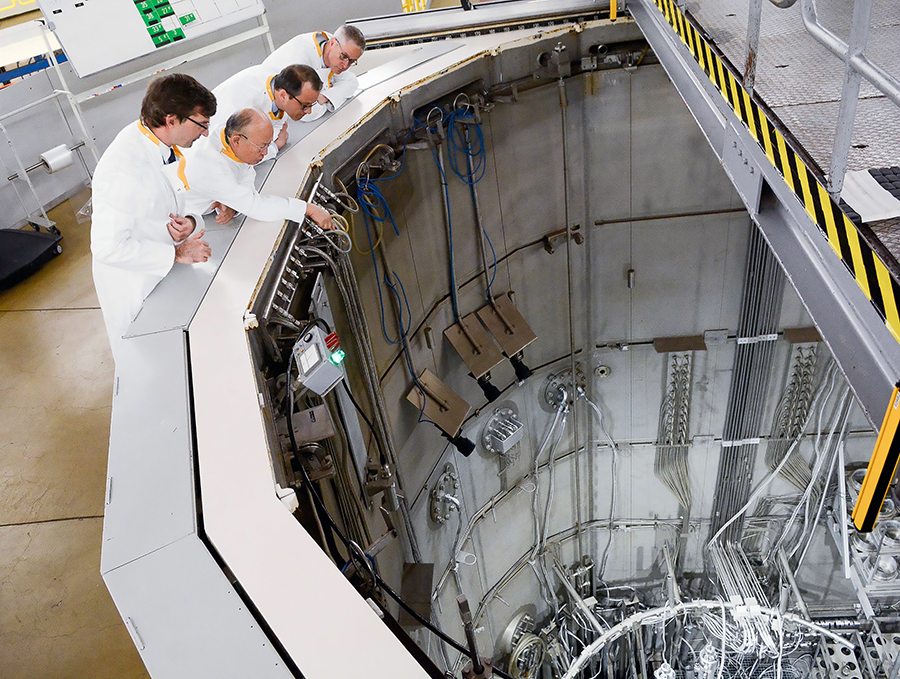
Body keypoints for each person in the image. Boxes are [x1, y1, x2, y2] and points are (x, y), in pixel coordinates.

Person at [91, 73, 216, 360]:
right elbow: (107, 248)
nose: (206, 133)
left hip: (160, 269)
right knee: (146, 362)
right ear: (171, 119)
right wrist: (175, 254)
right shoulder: (123, 170)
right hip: (133, 283)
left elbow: (170, 201)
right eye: (201, 124)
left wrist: (191, 223)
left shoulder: (159, 144)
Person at [183, 108, 334, 229]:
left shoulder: (227, 136)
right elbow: (257, 207)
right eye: (261, 147)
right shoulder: (210, 166)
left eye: (268, 145)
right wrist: (308, 209)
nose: (266, 153)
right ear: (237, 140)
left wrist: (234, 204)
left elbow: (246, 172)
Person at [210, 64, 322, 161]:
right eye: (305, 106)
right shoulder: (245, 104)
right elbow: (241, 154)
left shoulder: (278, 88)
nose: (309, 111)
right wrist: (274, 147)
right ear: (283, 95)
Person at [260, 25, 365, 122]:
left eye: (351, 61)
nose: (346, 65)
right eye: (344, 56)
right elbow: (307, 114)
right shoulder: (300, 59)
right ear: (332, 43)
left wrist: (324, 96)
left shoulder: (333, 49)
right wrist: (329, 97)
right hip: (268, 111)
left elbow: (352, 82)